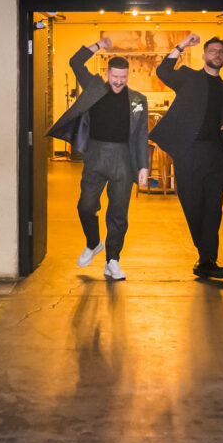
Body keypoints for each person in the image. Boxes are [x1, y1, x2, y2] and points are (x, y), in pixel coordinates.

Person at [47, 37, 150, 281]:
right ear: (107, 73)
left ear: (128, 76)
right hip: (95, 155)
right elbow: (75, 61)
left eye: (123, 77)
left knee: (118, 214)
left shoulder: (137, 100)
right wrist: (97, 46)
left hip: (124, 160)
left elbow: (141, 134)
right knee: (86, 205)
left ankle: (112, 260)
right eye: (115, 76)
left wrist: (143, 165)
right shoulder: (94, 86)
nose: (118, 81)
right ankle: (93, 243)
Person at [150, 33, 223, 279]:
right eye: (213, 51)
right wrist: (181, 46)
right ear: (204, 55)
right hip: (188, 152)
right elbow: (163, 72)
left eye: (221, 52)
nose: (217, 55)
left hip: (215, 155)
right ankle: (205, 254)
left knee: (214, 208)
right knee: (193, 206)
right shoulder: (188, 78)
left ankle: (208, 259)